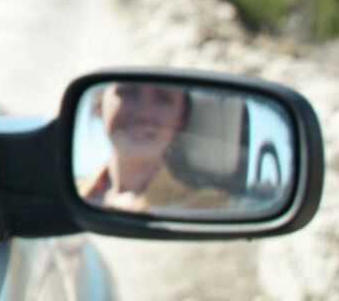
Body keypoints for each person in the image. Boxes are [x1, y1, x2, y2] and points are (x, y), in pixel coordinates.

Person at [76, 82, 229, 215]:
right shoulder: (69, 193)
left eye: (162, 98)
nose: (143, 113)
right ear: (100, 104)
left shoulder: (208, 205)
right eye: (128, 92)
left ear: (181, 118)